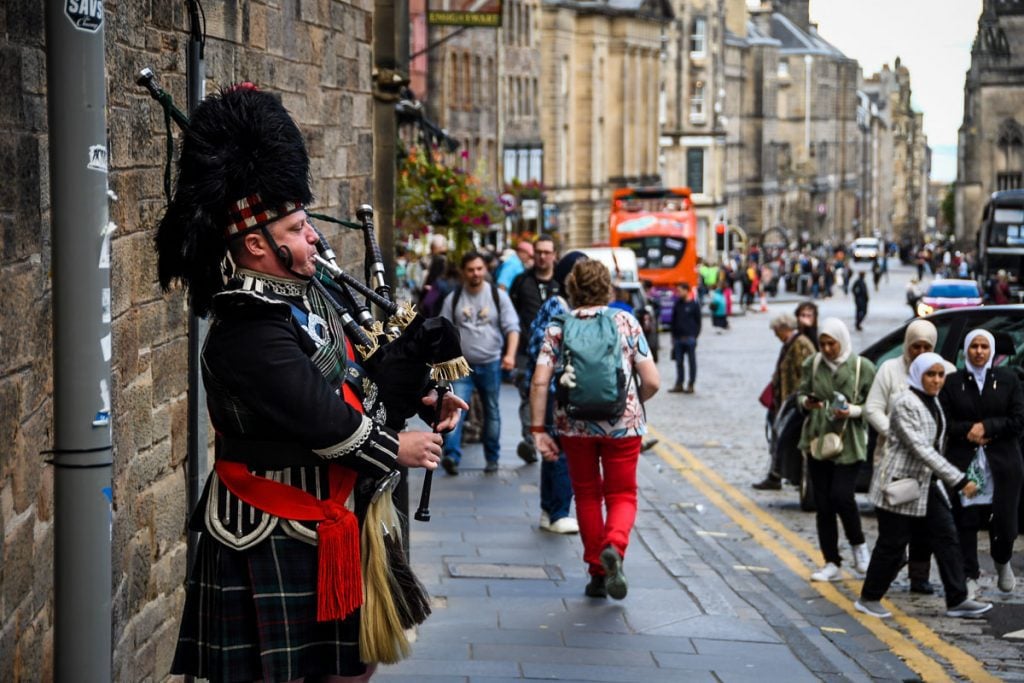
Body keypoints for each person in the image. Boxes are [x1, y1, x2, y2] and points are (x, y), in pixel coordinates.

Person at [157, 85, 464, 682]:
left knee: (354, 668)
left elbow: (349, 372)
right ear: (257, 245)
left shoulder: (305, 298)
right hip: (268, 526)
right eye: (298, 228)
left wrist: (422, 395)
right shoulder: (246, 326)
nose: (314, 238)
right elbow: (319, 415)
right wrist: (394, 447)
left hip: (332, 516)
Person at [530, 259, 660, 600]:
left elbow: (540, 382)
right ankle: (614, 547)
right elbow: (652, 381)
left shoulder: (559, 326)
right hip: (623, 425)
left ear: (572, 289)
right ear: (608, 288)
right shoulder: (625, 321)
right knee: (622, 494)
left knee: (587, 495)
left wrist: (537, 430)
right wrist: (633, 402)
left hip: (574, 425)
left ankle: (597, 574)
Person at [855, 353, 994, 620]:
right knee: (893, 544)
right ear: (918, 374)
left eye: (941, 375)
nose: (937, 380)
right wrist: (959, 479)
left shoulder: (933, 402)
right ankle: (869, 597)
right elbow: (920, 448)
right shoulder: (904, 402)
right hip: (900, 485)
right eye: (931, 374)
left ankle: (957, 599)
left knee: (947, 537)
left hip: (927, 484)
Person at [940, 328, 1024, 596]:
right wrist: (969, 430)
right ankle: (970, 573)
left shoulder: (1009, 380)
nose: (978, 352)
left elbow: (1018, 421)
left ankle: (1002, 561)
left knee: (1005, 522)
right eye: (974, 346)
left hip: (1001, 464)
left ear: (991, 351)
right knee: (966, 520)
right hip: (965, 461)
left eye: (984, 347)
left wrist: (988, 427)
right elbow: (944, 421)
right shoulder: (953, 382)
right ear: (966, 350)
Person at [863, 320, 940, 594]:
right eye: (914, 346)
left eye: (926, 347)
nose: (919, 351)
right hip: (892, 460)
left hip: (924, 465)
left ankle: (919, 575)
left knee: (923, 526)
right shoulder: (889, 370)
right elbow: (872, 409)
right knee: (892, 524)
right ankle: (889, 565)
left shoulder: (936, 371)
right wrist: (896, 434)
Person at [798, 317, 876, 582]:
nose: (827, 349)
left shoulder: (861, 367)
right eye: (823, 344)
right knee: (823, 504)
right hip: (819, 439)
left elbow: (875, 405)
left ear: (842, 341)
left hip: (849, 440)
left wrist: (851, 410)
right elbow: (801, 394)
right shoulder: (812, 364)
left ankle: (859, 547)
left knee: (842, 495)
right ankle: (831, 560)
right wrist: (806, 403)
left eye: (832, 343)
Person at [521, 252, 590, 534]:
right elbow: (542, 347)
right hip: (554, 389)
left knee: (553, 451)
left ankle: (550, 511)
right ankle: (559, 511)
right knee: (562, 452)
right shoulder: (558, 306)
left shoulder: (563, 305)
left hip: (554, 388)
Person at [440, 252, 521, 475]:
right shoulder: (453, 298)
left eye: (479, 269)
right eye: (471, 270)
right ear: (463, 272)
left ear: (485, 269)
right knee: (456, 410)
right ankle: (452, 456)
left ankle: (492, 458)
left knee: (492, 410)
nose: (476, 273)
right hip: (461, 365)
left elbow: (512, 327)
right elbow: (443, 332)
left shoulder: (497, 296)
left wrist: (510, 355)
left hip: (491, 362)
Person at [510, 235, 559, 464]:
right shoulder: (521, 281)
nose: (542, 256)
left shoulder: (562, 281)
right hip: (526, 351)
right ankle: (530, 441)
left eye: (547, 252)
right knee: (528, 394)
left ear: (554, 255)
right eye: (538, 252)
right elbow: (511, 315)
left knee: (555, 395)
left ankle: (551, 435)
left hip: (557, 353)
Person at [752, 313, 816, 490]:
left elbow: (807, 374)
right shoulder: (789, 344)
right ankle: (776, 474)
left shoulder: (800, 345)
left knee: (785, 438)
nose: (775, 335)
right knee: (777, 436)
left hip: (794, 403)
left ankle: (780, 475)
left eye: (776, 331)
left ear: (784, 329)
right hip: (783, 401)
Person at [669, 281, 701, 394]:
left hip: (690, 339)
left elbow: (698, 322)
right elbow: (673, 321)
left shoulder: (694, 305)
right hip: (678, 338)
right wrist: (673, 336)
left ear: (686, 290)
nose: (678, 293)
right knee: (679, 362)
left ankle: (691, 384)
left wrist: (694, 335)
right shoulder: (677, 304)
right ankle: (679, 383)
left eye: (680, 291)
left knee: (691, 362)